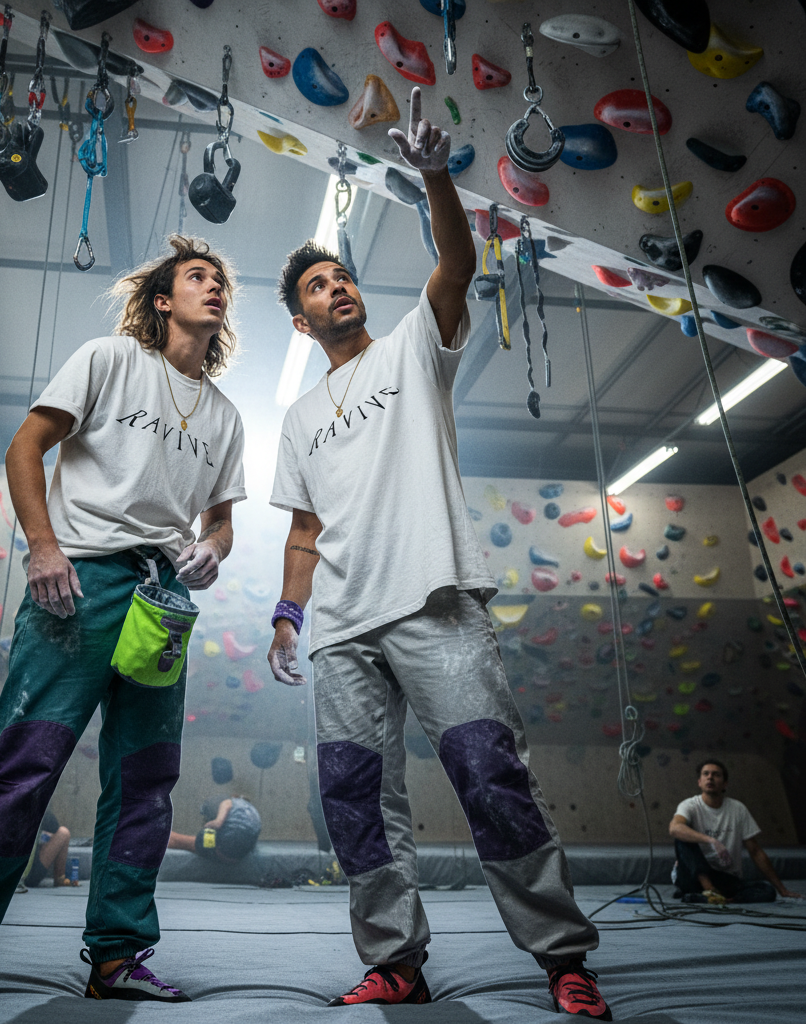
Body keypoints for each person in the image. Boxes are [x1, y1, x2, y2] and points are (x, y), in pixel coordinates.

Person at [266, 89, 610, 1020]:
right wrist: (288, 613)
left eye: (340, 277)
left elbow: (456, 262)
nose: (335, 287)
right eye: (315, 287)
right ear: (301, 321)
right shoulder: (297, 416)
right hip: (339, 626)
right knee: (353, 797)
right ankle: (395, 961)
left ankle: (561, 956)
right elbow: (302, 531)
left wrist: (431, 173)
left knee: (491, 774)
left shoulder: (417, 345)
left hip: (434, 602)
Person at [0, 235, 246, 1017]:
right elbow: (26, 448)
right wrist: (43, 546)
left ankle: (117, 956)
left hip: (162, 598)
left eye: (220, 280)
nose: (214, 286)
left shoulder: (224, 415)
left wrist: (212, 551)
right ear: (164, 300)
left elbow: (220, 524)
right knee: (24, 761)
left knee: (146, 778)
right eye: (197, 276)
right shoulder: (108, 359)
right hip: (80, 578)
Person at [669, 759, 803, 904]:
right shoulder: (689, 805)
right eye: (706, 774)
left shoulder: (737, 809)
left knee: (767, 891)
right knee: (682, 837)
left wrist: (782, 889)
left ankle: (719, 899)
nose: (710, 777)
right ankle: (709, 890)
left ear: (725, 784)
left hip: (725, 878)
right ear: (699, 782)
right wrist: (710, 840)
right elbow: (674, 828)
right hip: (692, 876)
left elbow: (755, 851)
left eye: (716, 775)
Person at [168, 797, 262, 862]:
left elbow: (226, 804)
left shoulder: (233, 803)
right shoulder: (248, 811)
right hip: (237, 855)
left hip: (223, 850)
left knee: (182, 842)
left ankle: (160, 837)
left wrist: (218, 821)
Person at [22, 811, 78, 888]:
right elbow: (54, 825)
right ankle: (60, 880)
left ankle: (60, 879)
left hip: (12, 872)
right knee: (63, 833)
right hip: (28, 875)